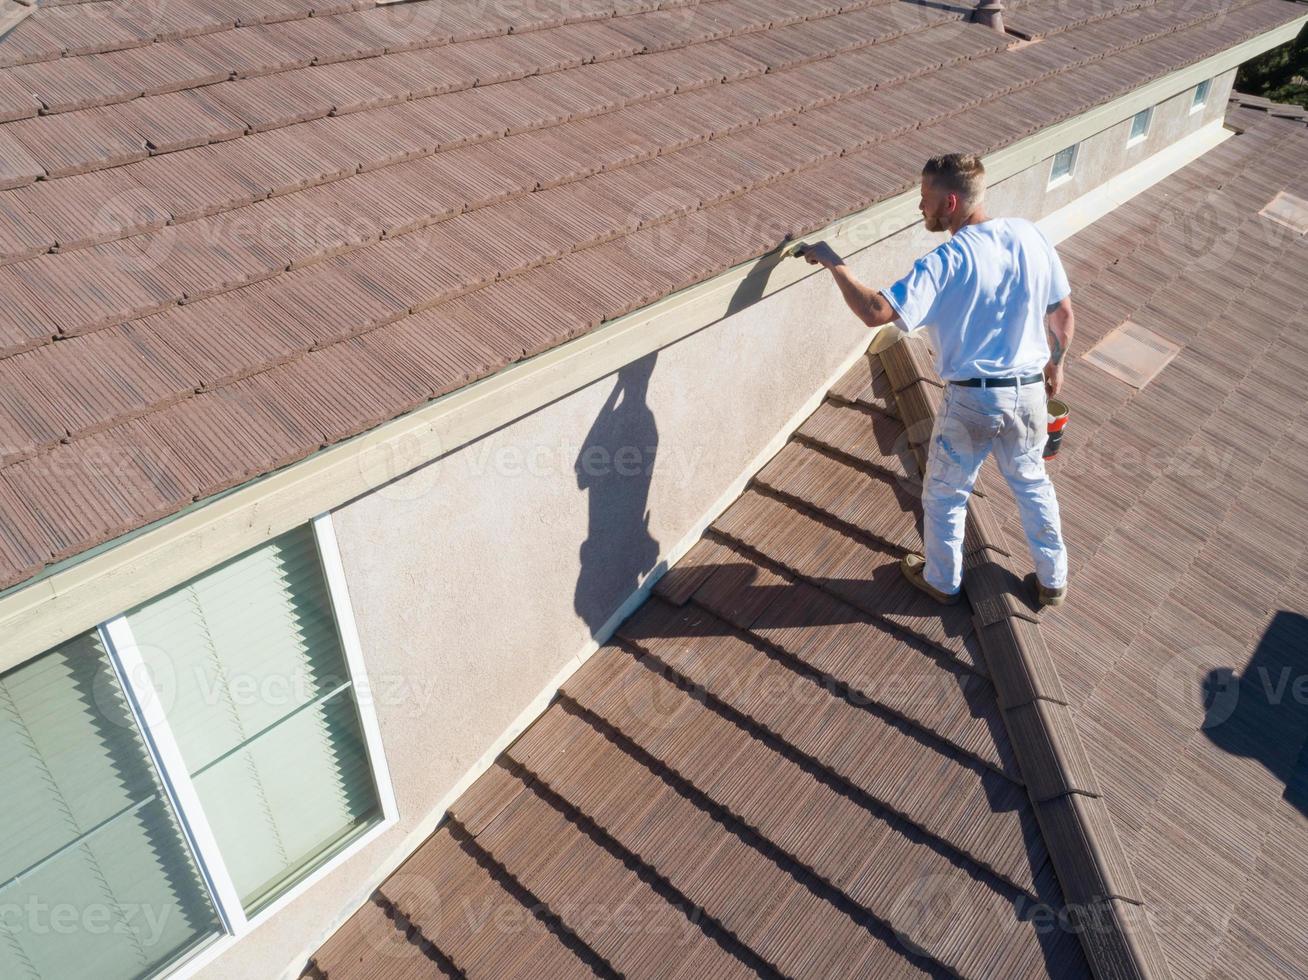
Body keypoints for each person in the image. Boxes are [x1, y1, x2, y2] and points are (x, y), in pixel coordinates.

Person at [798, 153, 1073, 607]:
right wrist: (1056, 364)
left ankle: (943, 581)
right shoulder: (1029, 234)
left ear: (949, 202)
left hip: (974, 401)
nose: (919, 208)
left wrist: (834, 263)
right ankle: (1052, 581)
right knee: (1032, 483)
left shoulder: (947, 260)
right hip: (1028, 393)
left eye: (924, 199)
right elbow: (1061, 314)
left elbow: (876, 312)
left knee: (946, 491)